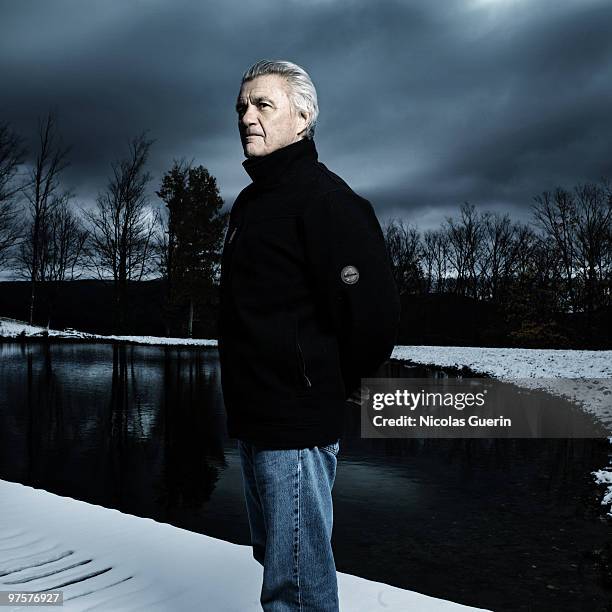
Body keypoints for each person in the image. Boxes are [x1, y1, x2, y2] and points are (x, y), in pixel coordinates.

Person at [218, 59, 400, 612]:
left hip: (296, 424)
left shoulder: (328, 203)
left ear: (303, 118)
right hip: (255, 419)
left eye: (263, 105)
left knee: (294, 586)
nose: (247, 117)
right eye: (242, 107)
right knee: (276, 560)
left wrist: (321, 386)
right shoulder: (252, 203)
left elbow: (373, 319)